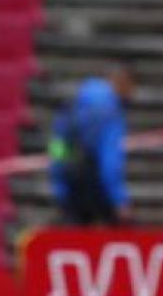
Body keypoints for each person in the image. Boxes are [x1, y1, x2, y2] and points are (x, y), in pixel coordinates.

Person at [49, 65, 134, 226]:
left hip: (71, 185)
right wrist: (119, 200)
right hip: (95, 189)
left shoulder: (72, 106)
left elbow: (57, 149)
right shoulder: (111, 111)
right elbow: (110, 161)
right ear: (122, 83)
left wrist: (60, 188)